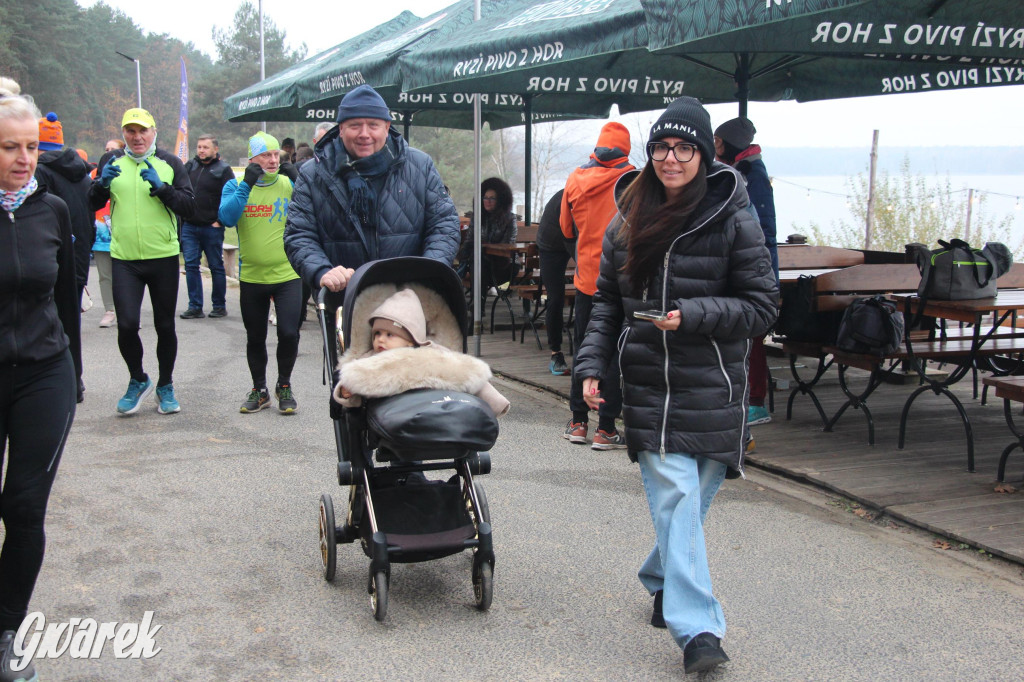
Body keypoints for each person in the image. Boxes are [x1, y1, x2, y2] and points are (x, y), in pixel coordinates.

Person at [573, 97, 777, 674]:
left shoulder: (732, 216)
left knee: (696, 493)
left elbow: (762, 307)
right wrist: (592, 367)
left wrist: (694, 313)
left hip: (712, 382)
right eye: (662, 147)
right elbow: (605, 305)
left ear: (705, 154)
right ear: (650, 152)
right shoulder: (626, 217)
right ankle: (700, 630)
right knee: (678, 496)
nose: (671, 158)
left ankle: (661, 576)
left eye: (684, 147)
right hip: (648, 382)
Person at [0, 93, 79, 682]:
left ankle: (9, 632)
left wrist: (72, 372)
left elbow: (65, 300)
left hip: (44, 374)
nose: (24, 159)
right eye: (9, 148)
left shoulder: (52, 210)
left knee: (23, 507)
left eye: (30, 147)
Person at [284, 84, 459, 293]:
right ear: (341, 129)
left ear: (386, 127)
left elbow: (444, 226)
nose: (364, 134)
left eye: (373, 125)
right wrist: (322, 271)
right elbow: (298, 234)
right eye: (355, 125)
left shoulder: (420, 165)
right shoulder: (313, 174)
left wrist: (427, 271)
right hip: (343, 300)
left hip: (407, 299)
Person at [89, 107, 196, 416]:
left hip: (162, 256)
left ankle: (165, 385)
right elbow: (92, 203)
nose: (137, 137)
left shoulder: (170, 163)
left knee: (165, 325)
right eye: (130, 131)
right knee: (126, 324)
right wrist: (101, 185)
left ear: (153, 133)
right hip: (125, 258)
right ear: (124, 134)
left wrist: (163, 189)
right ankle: (138, 379)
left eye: (142, 131)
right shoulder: (111, 161)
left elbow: (190, 207)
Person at [560, 122, 635, 450]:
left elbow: (565, 228)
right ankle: (606, 428)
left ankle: (578, 422)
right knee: (613, 355)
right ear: (625, 149)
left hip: (587, 280)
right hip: (621, 281)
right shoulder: (634, 179)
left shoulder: (576, 178)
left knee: (584, 350)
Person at [219, 132, 301, 415]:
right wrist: (247, 185)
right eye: (266, 155)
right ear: (253, 158)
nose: (272, 160)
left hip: (288, 274)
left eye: (276, 154)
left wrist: (299, 179)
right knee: (256, 337)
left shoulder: (288, 183)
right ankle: (259, 389)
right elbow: (227, 217)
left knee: (289, 333)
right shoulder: (236, 184)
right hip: (252, 276)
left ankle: (284, 385)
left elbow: (315, 208)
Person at [333, 289, 509, 417]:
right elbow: (356, 374)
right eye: (377, 334)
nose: (380, 340)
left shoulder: (430, 352)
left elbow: (463, 371)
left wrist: (496, 403)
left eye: (389, 335)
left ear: (411, 339)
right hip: (391, 413)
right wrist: (346, 391)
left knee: (456, 372)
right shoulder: (372, 358)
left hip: (431, 407)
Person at [714, 117, 779, 431]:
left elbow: (761, 230)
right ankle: (742, 396)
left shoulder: (751, 174)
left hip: (754, 268)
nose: (714, 149)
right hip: (747, 266)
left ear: (728, 143)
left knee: (752, 336)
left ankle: (755, 401)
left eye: (717, 143)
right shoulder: (745, 171)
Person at [34, 111, 90, 402]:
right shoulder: (80, 169)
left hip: (50, 254)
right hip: (78, 255)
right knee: (70, 318)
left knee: (46, 321)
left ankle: (52, 384)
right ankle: (75, 380)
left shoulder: (39, 171)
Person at [179, 134, 234, 320]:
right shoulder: (190, 166)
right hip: (190, 225)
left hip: (212, 226)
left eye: (205, 147)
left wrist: (220, 220)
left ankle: (219, 305)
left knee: (215, 266)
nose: (201, 150)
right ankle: (195, 306)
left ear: (215, 149)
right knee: (191, 265)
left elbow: (230, 198)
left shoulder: (223, 169)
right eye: (199, 147)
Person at [536, 189, 573, 375]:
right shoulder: (573, 196)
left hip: (573, 235)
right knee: (556, 297)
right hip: (551, 243)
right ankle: (556, 353)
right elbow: (571, 236)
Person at [458, 177, 518, 289]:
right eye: (485, 198)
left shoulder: (510, 219)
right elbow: (470, 240)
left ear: (500, 200)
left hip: (504, 266)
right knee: (477, 259)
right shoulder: (478, 217)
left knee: (478, 260)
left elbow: (507, 244)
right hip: (478, 262)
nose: (488, 201)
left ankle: (476, 302)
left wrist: (484, 249)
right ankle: (477, 300)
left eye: (492, 198)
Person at [91, 139, 125, 329]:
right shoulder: (95, 178)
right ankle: (109, 310)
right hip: (101, 235)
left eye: (113, 150)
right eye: (106, 150)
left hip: (123, 234)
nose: (109, 154)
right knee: (105, 276)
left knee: (124, 276)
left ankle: (126, 311)